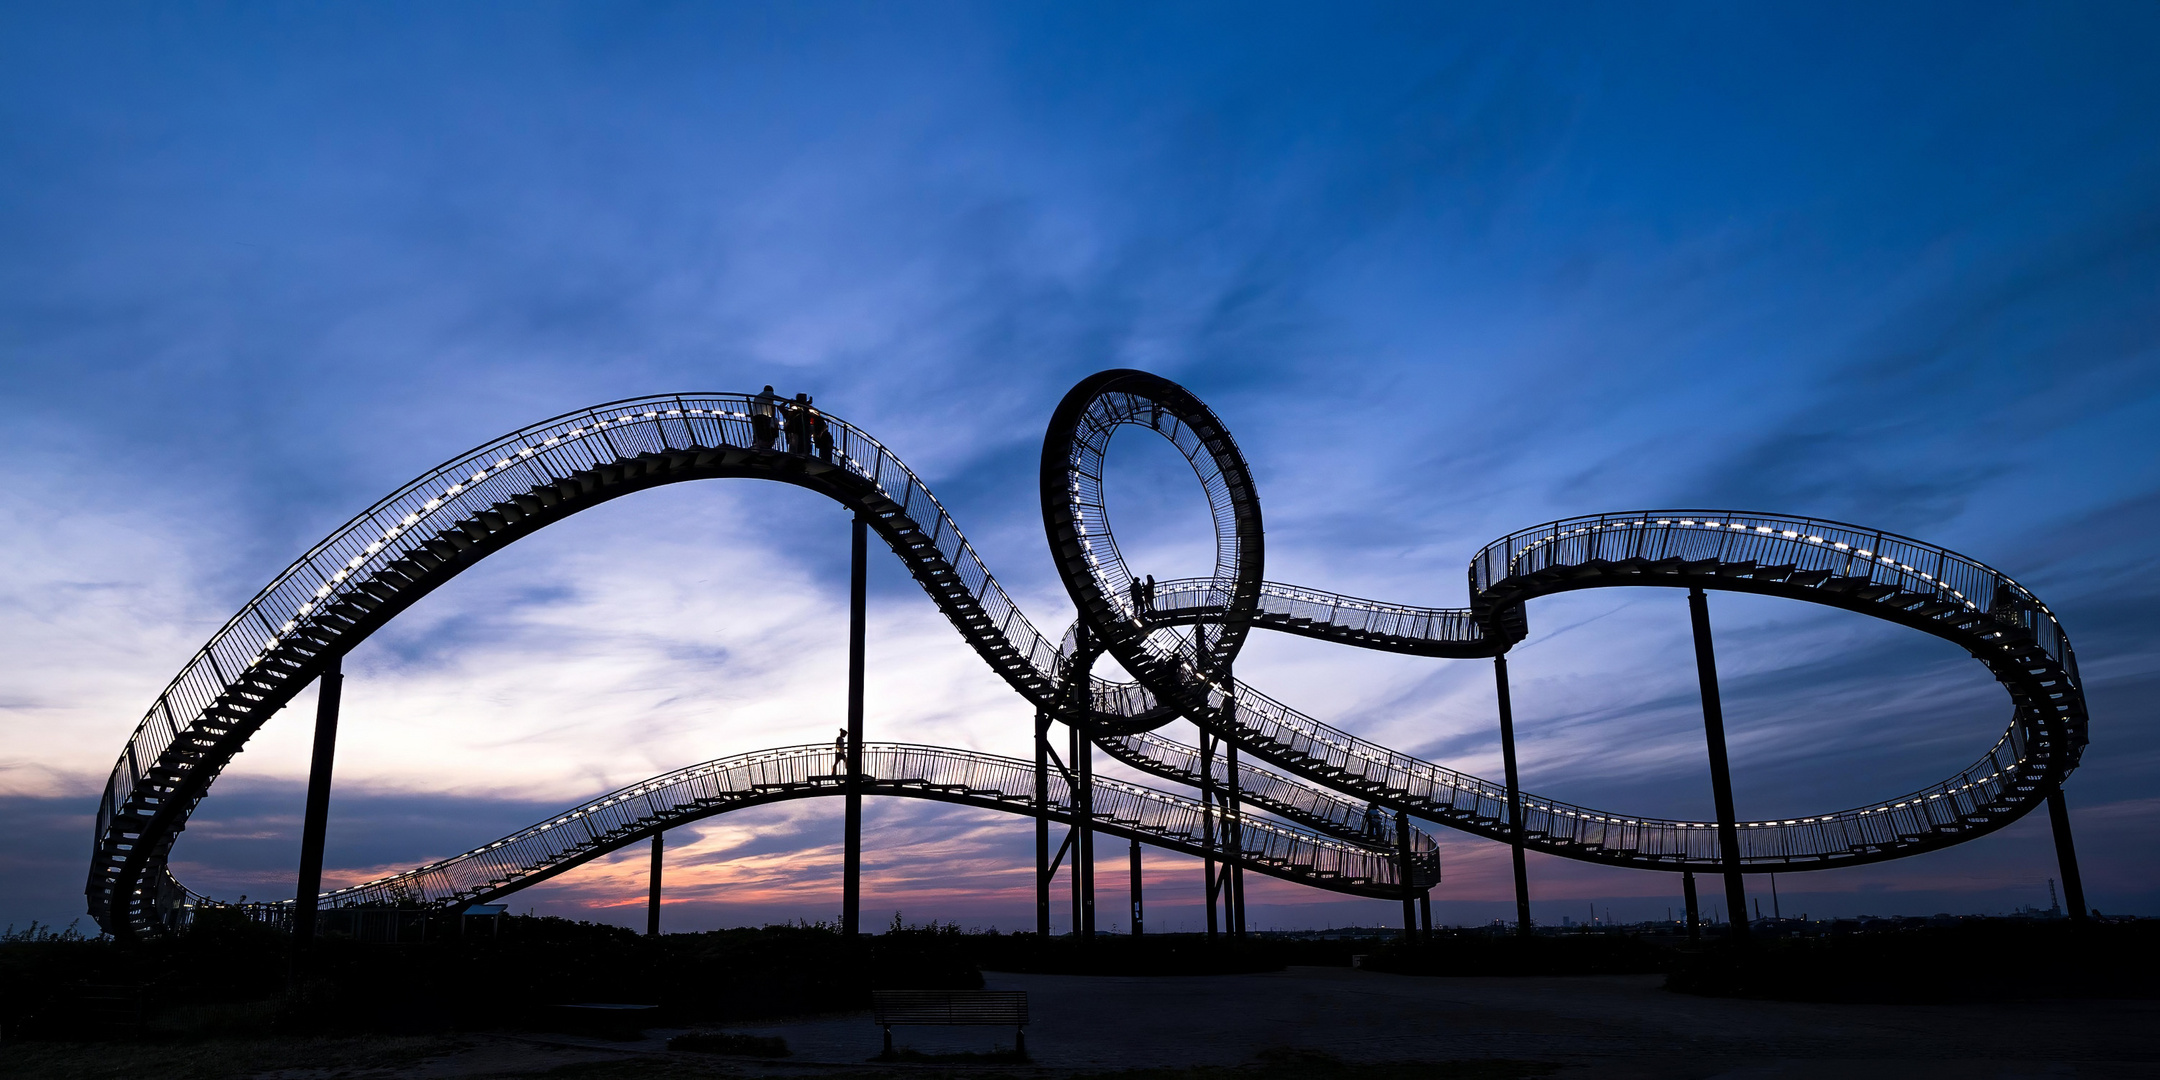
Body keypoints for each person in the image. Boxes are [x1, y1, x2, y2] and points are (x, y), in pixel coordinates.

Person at [751, 385, 778, 450]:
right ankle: (764, 445)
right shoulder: (768, 394)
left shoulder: (758, 396)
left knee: (758, 431)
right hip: (764, 416)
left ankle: (756, 443)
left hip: (755, 415)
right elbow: (776, 397)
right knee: (765, 431)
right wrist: (786, 401)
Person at [808, 398, 834, 463]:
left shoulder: (818, 420)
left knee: (826, 452)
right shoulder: (816, 420)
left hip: (824, 439)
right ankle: (826, 462)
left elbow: (824, 427)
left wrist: (819, 434)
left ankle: (826, 462)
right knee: (825, 453)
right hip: (823, 440)